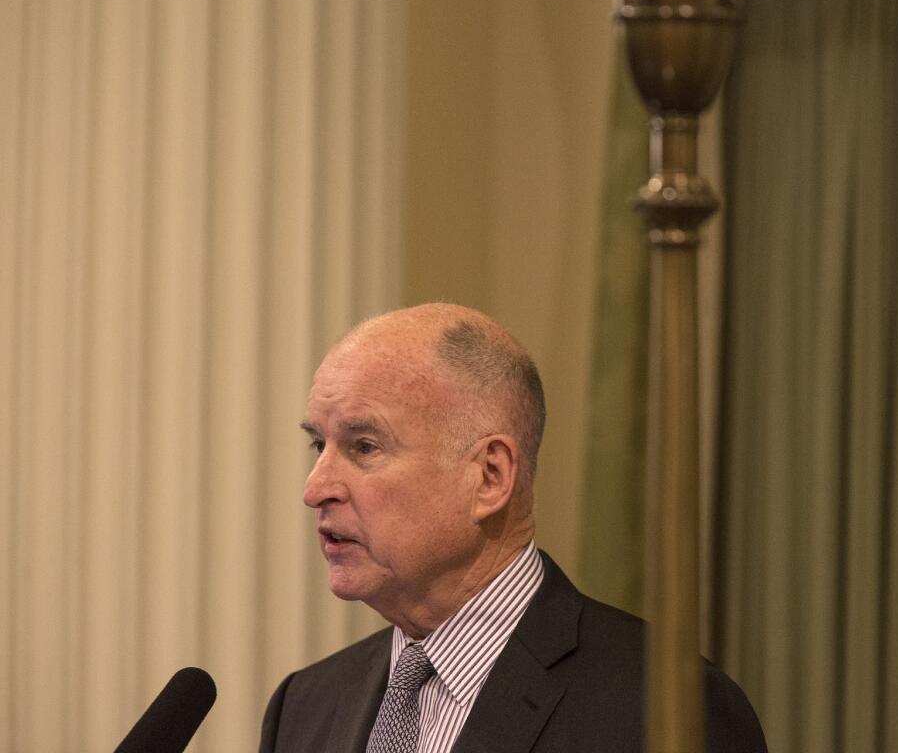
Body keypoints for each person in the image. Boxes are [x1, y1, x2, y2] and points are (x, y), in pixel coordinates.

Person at [260, 303, 766, 752]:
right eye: (317, 446)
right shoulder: (305, 706)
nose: (315, 488)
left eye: (364, 447)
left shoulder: (667, 711)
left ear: (490, 476)